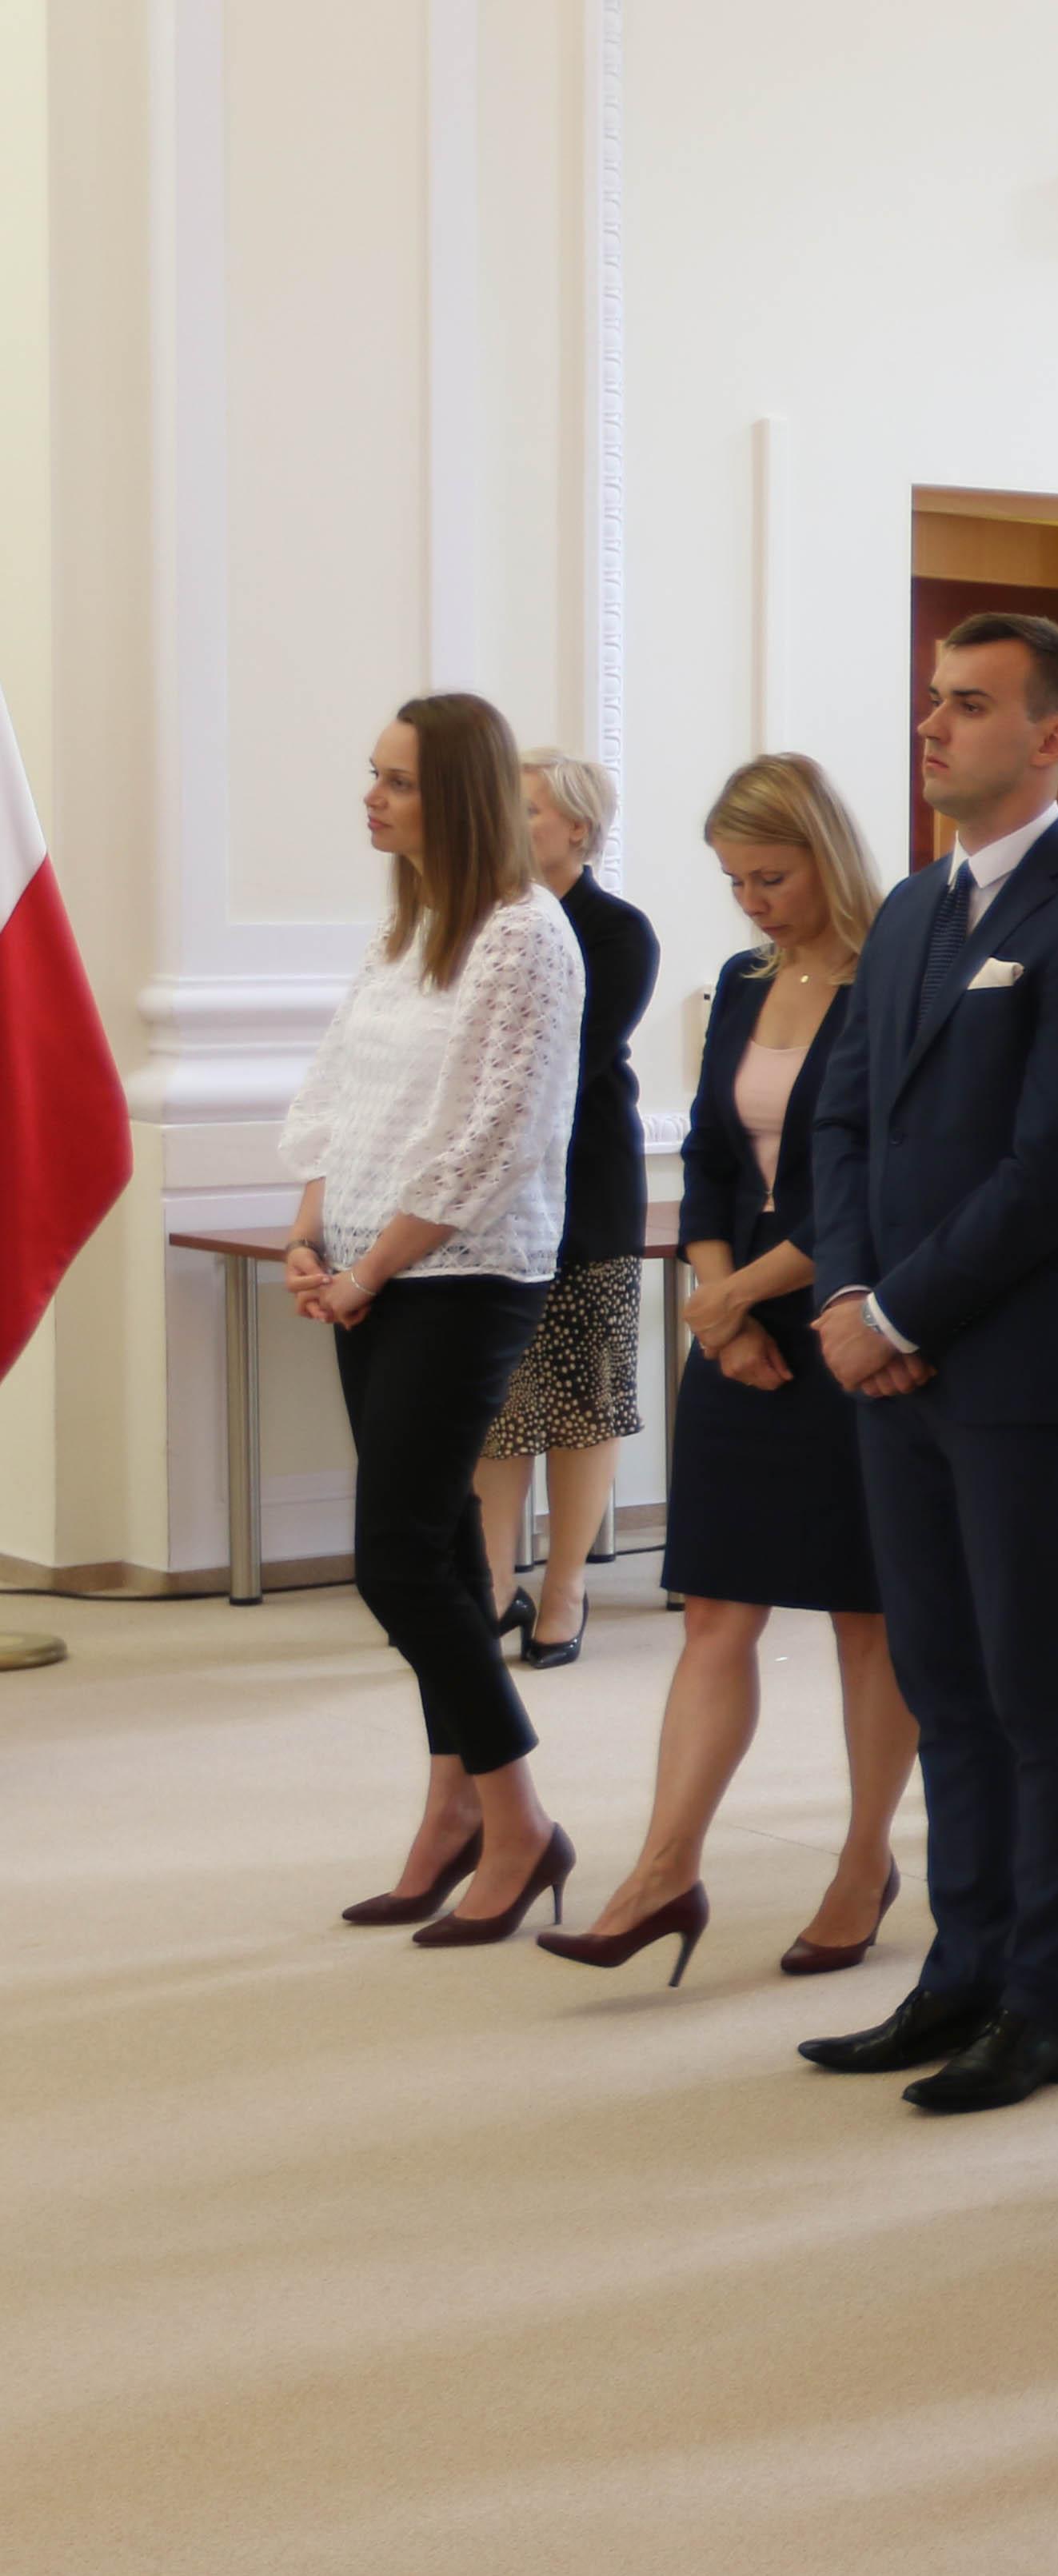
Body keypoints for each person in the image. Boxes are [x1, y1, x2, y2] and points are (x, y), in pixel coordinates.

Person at [795, 612, 1058, 2113]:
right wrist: (845, 1294)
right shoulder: (907, 910)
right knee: (941, 1679)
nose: (931, 726)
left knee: (1035, 1684)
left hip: (1013, 1367)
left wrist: (895, 1316)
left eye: (966, 704)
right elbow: (842, 1121)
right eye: (931, 701)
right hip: (887, 1358)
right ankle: (962, 1966)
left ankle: (1047, 1997)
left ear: (1050, 737)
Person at [534, 756, 920, 1985]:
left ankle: (863, 1862)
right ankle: (663, 1872)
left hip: (849, 1314)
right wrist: (719, 1302)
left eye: (772, 878)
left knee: (867, 1615)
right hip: (739, 1321)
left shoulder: (897, 980)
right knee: (715, 1610)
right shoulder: (749, 981)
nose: (753, 903)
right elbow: (708, 1154)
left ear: (826, 857)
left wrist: (741, 1295)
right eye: (735, 882)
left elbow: (880, 1185)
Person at [286, 693, 589, 1947]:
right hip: (367, 1268)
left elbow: (492, 1144)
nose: (371, 797)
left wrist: (367, 1271)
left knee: (398, 1560)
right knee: (447, 1552)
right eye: (374, 774)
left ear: (456, 795)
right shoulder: (405, 929)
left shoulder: (526, 936)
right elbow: (336, 1098)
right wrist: (310, 1238)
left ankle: (519, 1821)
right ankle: (452, 1811)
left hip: (462, 1274)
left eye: (398, 781)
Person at [470, 749, 659, 1669]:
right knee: (496, 1401)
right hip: (489, 1193)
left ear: (579, 828)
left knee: (584, 1398)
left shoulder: (616, 929)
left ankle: (566, 1587)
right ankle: (486, 1584)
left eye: (530, 809)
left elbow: (564, 1060)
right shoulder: (480, 922)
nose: (510, 823)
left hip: (586, 1184)